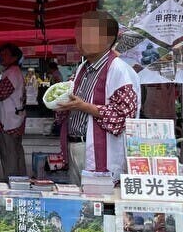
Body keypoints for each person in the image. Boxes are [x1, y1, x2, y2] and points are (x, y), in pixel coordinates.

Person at [56, 11, 140, 184]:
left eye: (89, 34)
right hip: (75, 146)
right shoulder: (82, 68)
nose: (82, 40)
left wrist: (84, 106)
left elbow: (124, 116)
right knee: (79, 204)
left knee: (98, 203)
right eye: (80, 34)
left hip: (100, 151)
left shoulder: (120, 70)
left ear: (109, 39)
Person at [0, 43, 28, 181]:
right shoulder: (13, 72)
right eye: (1, 55)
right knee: (16, 151)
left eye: (5, 55)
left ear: (14, 57)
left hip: (10, 121)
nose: (1, 58)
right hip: (15, 118)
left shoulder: (12, 73)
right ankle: (20, 180)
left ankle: (13, 181)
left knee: (9, 153)